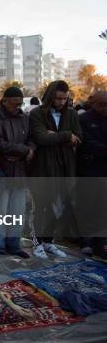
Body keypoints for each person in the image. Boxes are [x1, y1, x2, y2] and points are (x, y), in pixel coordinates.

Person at [30, 80, 82, 259]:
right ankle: (36, 244)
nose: (61, 102)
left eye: (65, 99)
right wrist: (66, 136)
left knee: (58, 207)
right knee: (42, 207)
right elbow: (41, 138)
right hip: (44, 168)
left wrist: (55, 136)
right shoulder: (37, 114)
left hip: (66, 167)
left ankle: (48, 242)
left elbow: (79, 138)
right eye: (58, 98)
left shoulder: (72, 114)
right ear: (51, 96)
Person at [0, 86, 34, 258]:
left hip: (19, 170)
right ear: (5, 101)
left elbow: (32, 140)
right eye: (15, 104)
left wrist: (30, 150)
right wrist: (24, 151)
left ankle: (14, 244)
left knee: (17, 211)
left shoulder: (24, 119)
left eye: (20, 104)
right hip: (2, 170)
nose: (18, 107)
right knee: (0, 212)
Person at [77, 91, 107, 258]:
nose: (105, 108)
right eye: (102, 104)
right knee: (88, 207)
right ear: (93, 103)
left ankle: (102, 242)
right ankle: (86, 242)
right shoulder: (84, 119)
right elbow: (86, 144)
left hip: (104, 170)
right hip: (88, 170)